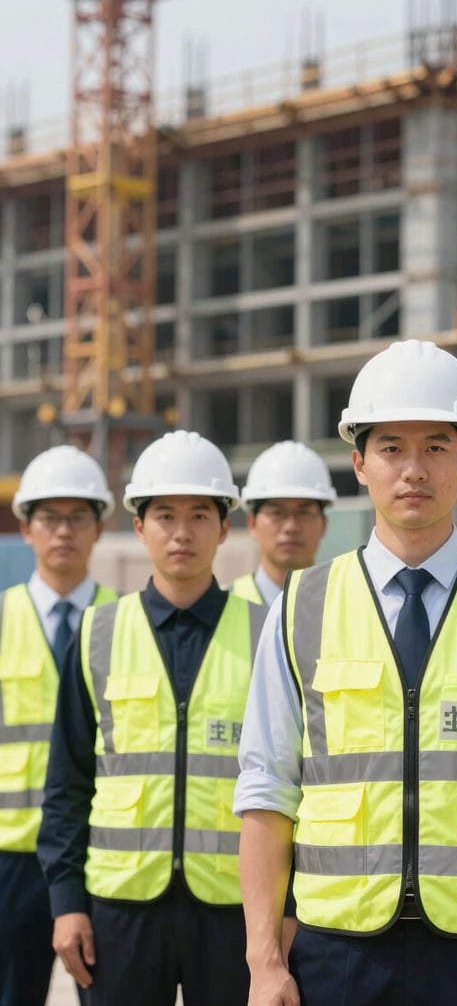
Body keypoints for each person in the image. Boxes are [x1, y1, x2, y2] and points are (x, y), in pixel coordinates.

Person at [235, 339, 457, 1006]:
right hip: (337, 950)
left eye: (435, 446)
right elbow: (266, 787)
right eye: (392, 447)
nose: (414, 469)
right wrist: (263, 959)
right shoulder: (301, 606)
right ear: (359, 463)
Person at [37, 430, 268, 1006]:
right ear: (139, 527)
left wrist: (282, 916)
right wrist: (66, 903)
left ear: (224, 525)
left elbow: (296, 790)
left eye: (199, 515)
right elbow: (66, 786)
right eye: (165, 515)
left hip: (234, 911)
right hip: (120, 909)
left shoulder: (268, 636)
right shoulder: (96, 636)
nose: (182, 532)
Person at [0, 445, 117, 1006]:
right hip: (10, 860)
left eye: (77, 517)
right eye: (49, 517)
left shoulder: (129, 621)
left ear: (101, 527)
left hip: (99, 856)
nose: (63, 531)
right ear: (25, 528)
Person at [230, 441, 336, 605]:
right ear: (252, 524)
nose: (291, 527)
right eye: (276, 513)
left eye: (304, 513)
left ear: (324, 524)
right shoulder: (222, 607)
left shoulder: (348, 604)